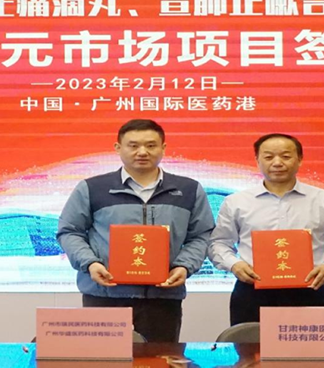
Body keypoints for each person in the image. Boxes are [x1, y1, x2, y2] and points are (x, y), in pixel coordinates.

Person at [57, 119, 215, 342]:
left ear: (163, 148)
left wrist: (184, 266)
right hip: (105, 294)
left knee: (160, 357)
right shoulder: (92, 188)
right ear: (118, 148)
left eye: (151, 145)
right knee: (105, 356)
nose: (142, 152)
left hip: (163, 296)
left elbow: (202, 234)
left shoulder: (188, 189)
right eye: (133, 145)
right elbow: (69, 231)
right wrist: (90, 263)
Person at [208, 133, 324, 326]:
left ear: (300, 159)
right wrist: (234, 264)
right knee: (251, 346)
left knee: (310, 346)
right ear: (257, 160)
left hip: (310, 290)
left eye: (286, 156)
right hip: (252, 291)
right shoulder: (236, 202)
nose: (277, 163)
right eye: (268, 157)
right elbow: (218, 243)